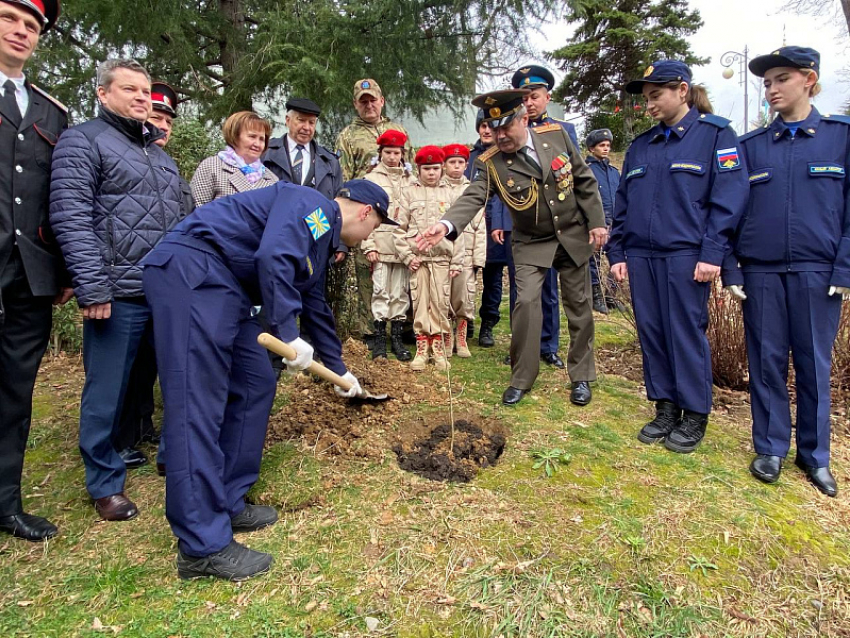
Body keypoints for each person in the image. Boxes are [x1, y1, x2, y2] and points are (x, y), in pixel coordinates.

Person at [141, 180, 392, 580]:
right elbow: (274, 254)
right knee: (196, 404)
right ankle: (201, 547)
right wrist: (285, 330)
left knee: (256, 381)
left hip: (227, 289)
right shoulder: (312, 205)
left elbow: (312, 302)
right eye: (376, 227)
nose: (369, 237)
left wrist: (340, 369)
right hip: (193, 273)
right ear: (365, 212)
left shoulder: (320, 239)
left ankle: (226, 498)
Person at [49, 58, 185, 521]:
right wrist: (91, 286)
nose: (142, 98)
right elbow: (71, 216)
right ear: (103, 95)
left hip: (166, 294)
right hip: (117, 292)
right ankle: (105, 482)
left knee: (175, 381)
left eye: (145, 91)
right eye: (130, 89)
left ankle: (172, 454)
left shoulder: (162, 157)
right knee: (106, 392)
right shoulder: (83, 141)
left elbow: (185, 224)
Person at [418, 90, 607, 406]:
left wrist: (597, 222)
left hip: (571, 234)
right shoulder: (490, 162)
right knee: (526, 306)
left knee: (579, 306)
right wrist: (446, 224)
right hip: (531, 240)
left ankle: (582, 376)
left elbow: (584, 180)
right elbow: (473, 196)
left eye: (506, 127)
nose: (500, 136)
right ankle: (522, 377)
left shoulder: (557, 135)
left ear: (524, 119)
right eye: (494, 129)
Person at [723, 46, 849, 496]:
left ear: (809, 79)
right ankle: (771, 446)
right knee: (766, 360)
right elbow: (729, 211)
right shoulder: (750, 146)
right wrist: (731, 268)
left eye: (782, 79)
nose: (772, 89)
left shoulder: (840, 137)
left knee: (815, 365)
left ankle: (815, 457)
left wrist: (845, 266)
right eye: (767, 82)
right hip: (760, 273)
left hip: (818, 272)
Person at [607, 60, 749, 453]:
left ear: (682, 91)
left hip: (687, 256)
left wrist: (712, 253)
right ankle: (665, 407)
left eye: (657, 96)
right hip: (641, 256)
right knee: (653, 333)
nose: (649, 105)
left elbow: (728, 200)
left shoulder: (714, 136)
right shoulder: (641, 147)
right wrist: (617, 251)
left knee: (684, 333)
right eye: (647, 98)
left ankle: (694, 412)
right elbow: (623, 204)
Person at [0, 0, 71, 542]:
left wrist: (66, 269)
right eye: (9, 18)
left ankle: (6, 503)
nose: (21, 31)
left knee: (15, 393)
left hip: (28, 275)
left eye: (31, 26)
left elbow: (59, 200)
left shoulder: (51, 113)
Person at [115, 81, 194, 476]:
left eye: (167, 120)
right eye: (156, 117)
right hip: (125, 279)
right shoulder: (122, 156)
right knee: (123, 368)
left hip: (164, 282)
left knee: (153, 361)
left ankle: (145, 425)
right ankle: (121, 437)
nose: (162, 125)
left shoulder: (170, 167)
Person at [511, 64, 575, 369]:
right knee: (523, 291)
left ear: (547, 97)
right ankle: (522, 345)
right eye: (524, 99)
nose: (529, 103)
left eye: (534, 97)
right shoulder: (509, 131)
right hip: (522, 224)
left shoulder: (564, 131)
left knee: (549, 288)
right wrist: (500, 222)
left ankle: (548, 345)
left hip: (556, 224)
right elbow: (501, 180)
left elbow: (576, 179)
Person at [336, 79, 410, 340]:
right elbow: (342, 177)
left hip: (397, 211)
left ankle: (404, 328)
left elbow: (410, 170)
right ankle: (370, 330)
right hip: (363, 214)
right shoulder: (347, 136)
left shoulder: (398, 129)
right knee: (369, 270)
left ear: (382, 100)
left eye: (373, 100)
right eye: (363, 101)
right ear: (356, 104)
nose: (369, 105)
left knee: (402, 269)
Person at [394, 146, 465, 371]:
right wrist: (407, 256)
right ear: (419, 169)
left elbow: (459, 230)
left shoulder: (450, 194)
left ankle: (439, 349)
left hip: (443, 260)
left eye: (435, 168)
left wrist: (457, 261)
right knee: (421, 304)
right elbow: (398, 230)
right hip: (419, 261)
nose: (432, 173)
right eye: (427, 169)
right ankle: (422, 349)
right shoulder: (409, 192)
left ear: (442, 168)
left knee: (440, 303)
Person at [362, 129, 413, 361]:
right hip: (381, 244)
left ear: (403, 153)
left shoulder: (411, 179)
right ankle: (380, 339)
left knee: (400, 293)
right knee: (381, 291)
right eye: (388, 152)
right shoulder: (371, 179)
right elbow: (364, 215)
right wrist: (369, 245)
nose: (393, 157)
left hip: (402, 247)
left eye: (397, 152)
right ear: (380, 153)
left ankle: (397, 338)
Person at [467, 111, 514, 349]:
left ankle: (488, 324)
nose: (486, 130)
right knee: (467, 278)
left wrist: (497, 221)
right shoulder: (468, 157)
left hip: (496, 229)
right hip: (471, 230)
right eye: (482, 126)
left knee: (493, 279)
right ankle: (466, 321)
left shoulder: (504, 156)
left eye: (490, 126)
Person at [443, 143, 484, 358]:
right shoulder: (438, 188)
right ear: (444, 164)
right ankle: (447, 335)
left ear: (466, 165)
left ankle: (461, 336)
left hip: (467, 251)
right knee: (444, 294)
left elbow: (480, 227)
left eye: (461, 163)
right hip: (445, 251)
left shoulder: (472, 189)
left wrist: (479, 259)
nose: (456, 167)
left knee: (464, 295)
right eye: (452, 162)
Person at [191, 111, 278, 206]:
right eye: (252, 136)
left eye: (262, 139)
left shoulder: (272, 180)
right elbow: (196, 208)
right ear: (235, 136)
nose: (257, 144)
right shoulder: (211, 166)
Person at [263, 97, 343, 201]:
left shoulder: (330, 162)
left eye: (311, 122)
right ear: (288, 120)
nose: (306, 127)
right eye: (301, 120)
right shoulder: (266, 152)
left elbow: (337, 203)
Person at [584, 128, 622, 314]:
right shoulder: (586, 171)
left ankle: (611, 295)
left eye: (608, 145)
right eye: (601, 145)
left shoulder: (615, 172)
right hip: (595, 222)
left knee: (617, 257)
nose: (606, 148)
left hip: (616, 221)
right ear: (592, 148)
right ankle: (596, 296)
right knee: (594, 260)